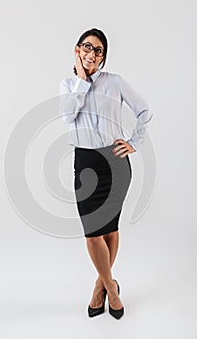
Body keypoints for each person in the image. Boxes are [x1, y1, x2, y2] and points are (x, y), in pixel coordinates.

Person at [59, 28, 153, 320]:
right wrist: (81, 81)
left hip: (115, 163)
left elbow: (145, 111)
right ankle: (112, 287)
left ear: (103, 57)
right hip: (85, 162)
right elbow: (67, 116)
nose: (92, 54)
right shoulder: (67, 84)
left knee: (110, 230)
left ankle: (101, 289)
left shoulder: (115, 82)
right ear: (77, 50)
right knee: (92, 234)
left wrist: (134, 144)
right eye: (87, 47)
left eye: (98, 50)